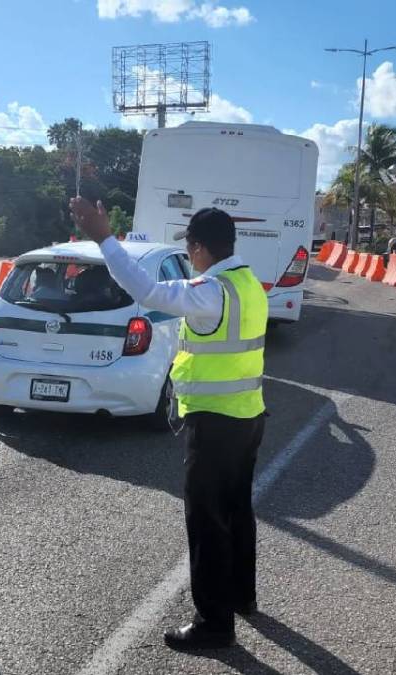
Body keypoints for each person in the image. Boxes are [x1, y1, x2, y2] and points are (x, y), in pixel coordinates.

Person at [68, 198, 268, 650]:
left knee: (207, 522)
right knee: (237, 512)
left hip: (216, 425)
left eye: (191, 248)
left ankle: (213, 624)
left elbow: (149, 292)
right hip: (248, 416)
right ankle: (241, 597)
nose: (191, 255)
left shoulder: (210, 292)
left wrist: (105, 238)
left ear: (198, 248)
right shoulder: (247, 283)